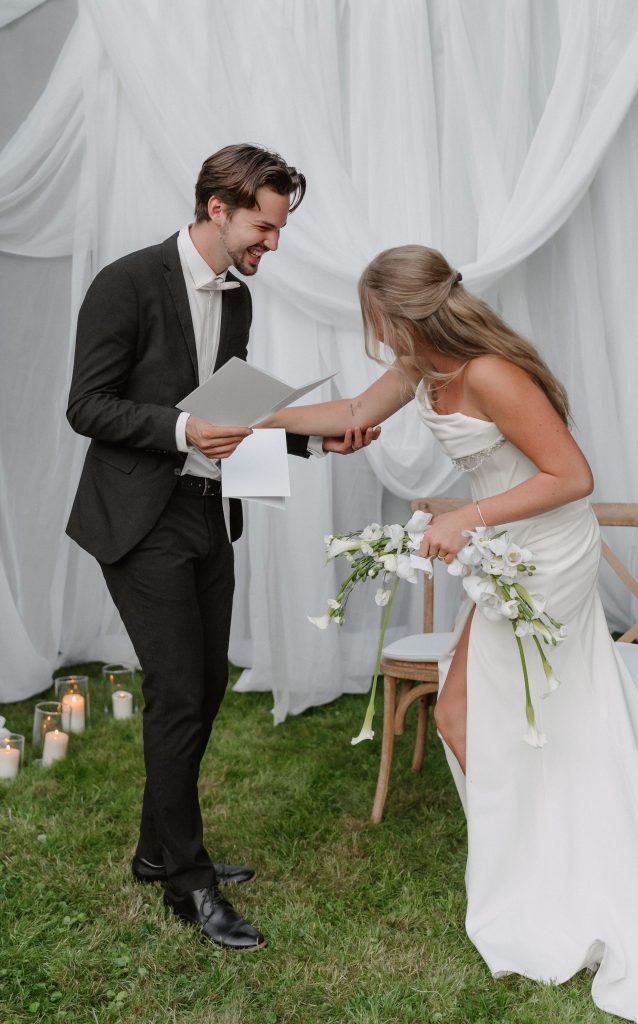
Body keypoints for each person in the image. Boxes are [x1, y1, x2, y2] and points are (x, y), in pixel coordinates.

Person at [261, 244, 638, 1022]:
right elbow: (352, 416)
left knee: (471, 714)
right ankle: (544, 853)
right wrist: (253, 416)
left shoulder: (489, 372)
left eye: (381, 321)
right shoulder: (420, 368)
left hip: (545, 556)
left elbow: (572, 476)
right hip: (502, 555)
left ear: (409, 314)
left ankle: (550, 866)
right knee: (503, 717)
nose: (377, 336)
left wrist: (466, 515)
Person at [65, 143, 378, 953]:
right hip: (138, 520)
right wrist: (177, 428)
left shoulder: (235, 303)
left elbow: (227, 419)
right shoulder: (125, 283)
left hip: (208, 512)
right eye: (263, 229)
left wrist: (314, 447)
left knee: (201, 691)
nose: (270, 245)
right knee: (177, 693)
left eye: (275, 232)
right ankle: (188, 880)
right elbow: (86, 405)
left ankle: (152, 850)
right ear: (217, 209)